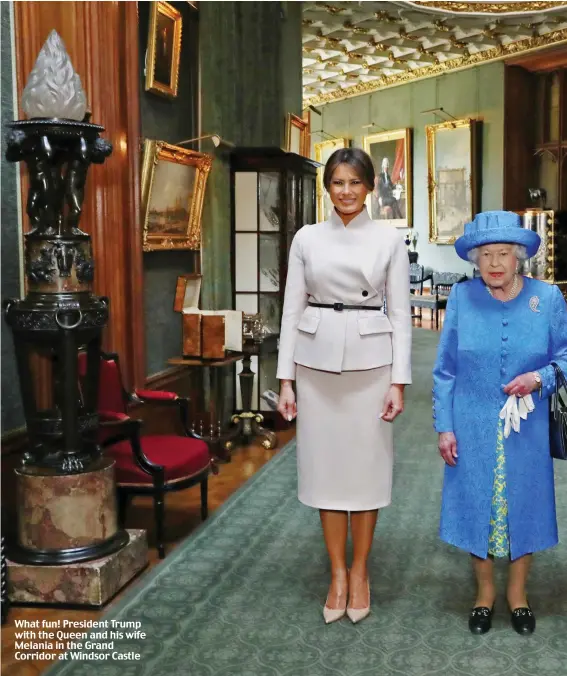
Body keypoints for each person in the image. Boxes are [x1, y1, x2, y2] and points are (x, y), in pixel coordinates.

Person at [276, 147, 412, 624]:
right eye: (337, 182)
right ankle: (336, 572)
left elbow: (400, 313)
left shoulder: (388, 240)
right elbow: (291, 311)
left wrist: (399, 381)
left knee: (366, 475)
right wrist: (285, 379)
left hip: (372, 366)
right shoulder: (307, 238)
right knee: (326, 474)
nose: (347, 191)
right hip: (314, 367)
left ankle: (360, 570)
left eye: (356, 182)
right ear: (326, 187)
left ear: (370, 186)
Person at [433, 210, 567, 636]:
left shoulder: (547, 299)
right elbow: (445, 369)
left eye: (503, 253)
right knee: (479, 505)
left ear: (519, 256)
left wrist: (538, 378)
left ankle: (518, 595)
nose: (494, 263)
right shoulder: (461, 299)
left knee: (524, 504)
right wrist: (445, 426)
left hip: (525, 428)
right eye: (486, 254)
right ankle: (485, 593)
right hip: (471, 423)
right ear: (475, 258)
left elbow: (564, 358)